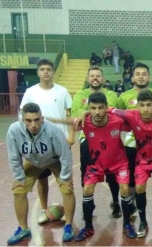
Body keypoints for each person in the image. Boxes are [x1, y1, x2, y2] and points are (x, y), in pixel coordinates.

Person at [111, 89, 152, 237]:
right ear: (137, 106)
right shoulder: (131, 115)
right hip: (142, 160)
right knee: (139, 188)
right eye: (142, 105)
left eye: (149, 105)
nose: (145, 109)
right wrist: (85, 113)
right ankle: (143, 222)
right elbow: (111, 110)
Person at [6, 103, 75, 245]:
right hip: (32, 161)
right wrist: (19, 178)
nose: (33, 124)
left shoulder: (53, 131)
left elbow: (65, 155)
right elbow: (14, 156)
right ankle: (23, 229)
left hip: (54, 159)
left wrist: (65, 177)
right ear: (22, 120)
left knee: (67, 188)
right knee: (18, 190)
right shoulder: (14, 130)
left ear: (42, 118)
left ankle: (68, 226)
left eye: (37, 120)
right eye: (29, 121)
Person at [74, 92, 136, 241]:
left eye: (101, 108)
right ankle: (88, 227)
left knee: (125, 189)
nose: (97, 112)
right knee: (87, 190)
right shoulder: (86, 122)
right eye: (93, 108)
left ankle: (127, 224)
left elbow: (133, 121)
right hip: (95, 164)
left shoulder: (117, 121)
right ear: (89, 108)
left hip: (119, 163)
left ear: (107, 108)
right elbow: (71, 123)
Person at [19, 58, 72, 224]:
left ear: (53, 72)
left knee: (65, 181)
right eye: (42, 69)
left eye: (49, 69)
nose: (46, 72)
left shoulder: (62, 91)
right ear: (38, 72)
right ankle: (43, 209)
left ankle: (69, 217)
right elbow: (22, 116)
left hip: (59, 144)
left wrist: (70, 136)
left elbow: (69, 115)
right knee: (42, 179)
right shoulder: (31, 92)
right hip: (38, 146)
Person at [117, 62, 152, 215]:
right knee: (132, 176)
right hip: (132, 144)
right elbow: (119, 118)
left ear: (149, 77)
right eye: (137, 74)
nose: (141, 77)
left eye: (144, 74)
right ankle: (132, 206)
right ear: (132, 78)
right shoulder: (124, 97)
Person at [71, 66, 121, 218]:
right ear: (87, 79)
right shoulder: (80, 94)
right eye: (92, 76)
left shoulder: (111, 94)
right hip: (88, 139)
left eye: (98, 76)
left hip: (110, 140)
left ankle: (115, 201)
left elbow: (110, 110)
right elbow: (75, 114)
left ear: (103, 79)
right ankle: (88, 202)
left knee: (112, 173)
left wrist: (86, 111)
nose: (95, 78)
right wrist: (87, 112)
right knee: (85, 171)